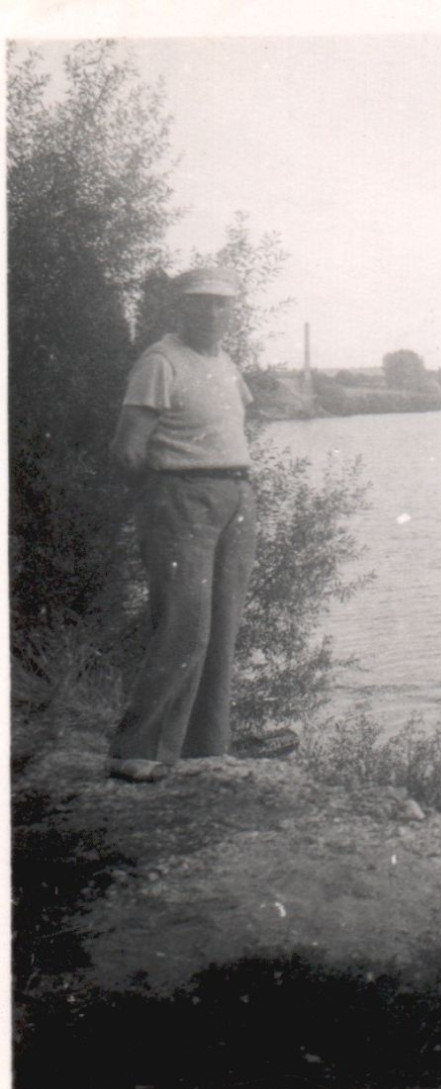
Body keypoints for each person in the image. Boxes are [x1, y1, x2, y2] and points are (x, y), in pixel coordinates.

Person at [106, 266, 256, 783]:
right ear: (181, 308)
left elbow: (228, 428)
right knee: (183, 625)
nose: (212, 312)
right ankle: (135, 750)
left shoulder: (226, 364)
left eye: (222, 304)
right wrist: (164, 498)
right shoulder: (160, 362)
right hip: (180, 498)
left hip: (237, 496)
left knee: (222, 627)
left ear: (231, 311)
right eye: (201, 303)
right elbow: (127, 449)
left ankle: (204, 751)